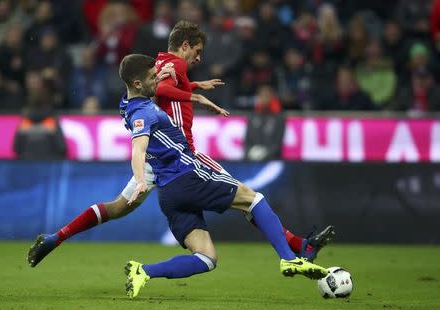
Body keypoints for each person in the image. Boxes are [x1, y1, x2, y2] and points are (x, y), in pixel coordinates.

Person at [27, 21, 333, 269]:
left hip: (156, 162)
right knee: (246, 198)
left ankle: (57, 237)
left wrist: (196, 86)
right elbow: (160, 88)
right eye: (196, 51)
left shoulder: (155, 66)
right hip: (182, 155)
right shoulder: (173, 67)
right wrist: (196, 96)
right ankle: (296, 249)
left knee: (116, 208)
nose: (198, 59)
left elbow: (156, 86)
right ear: (183, 45)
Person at [114, 54, 328, 299]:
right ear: (138, 84)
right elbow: (138, 149)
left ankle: (143, 271)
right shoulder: (143, 114)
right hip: (188, 175)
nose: (158, 80)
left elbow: (151, 92)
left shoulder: (127, 103)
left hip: (169, 194)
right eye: (153, 77)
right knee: (253, 199)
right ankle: (290, 259)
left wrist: (190, 86)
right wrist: (140, 180)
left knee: (206, 258)